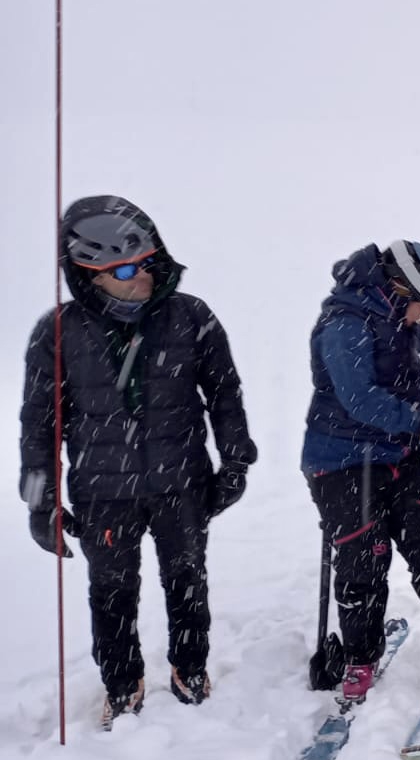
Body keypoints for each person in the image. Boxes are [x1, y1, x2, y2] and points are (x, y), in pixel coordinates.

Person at [19, 195, 257, 727]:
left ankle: (189, 668)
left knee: (188, 580)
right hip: (103, 494)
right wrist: (41, 504)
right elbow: (39, 426)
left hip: (182, 484)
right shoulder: (57, 332)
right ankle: (123, 686)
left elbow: (225, 395)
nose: (142, 276)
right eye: (125, 269)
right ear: (90, 277)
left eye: (148, 262)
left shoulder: (190, 316)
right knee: (112, 594)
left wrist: (236, 461)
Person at [301, 240, 420, 703]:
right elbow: (360, 399)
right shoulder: (343, 325)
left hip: (399, 454)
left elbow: (389, 350)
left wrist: (409, 336)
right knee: (363, 563)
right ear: (398, 290)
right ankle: (360, 657)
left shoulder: (391, 316)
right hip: (343, 461)